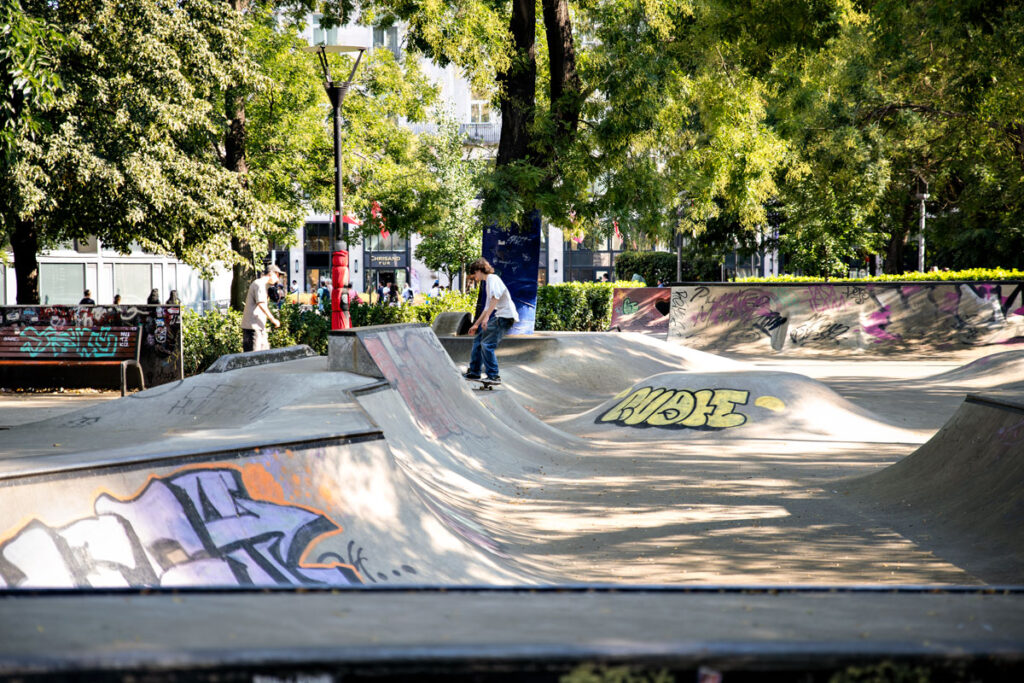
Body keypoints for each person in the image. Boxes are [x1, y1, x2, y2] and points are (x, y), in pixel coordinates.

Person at [463, 258, 518, 384]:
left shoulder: (493, 279)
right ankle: (475, 372)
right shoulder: (488, 282)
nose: (474, 277)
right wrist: (476, 325)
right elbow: (487, 308)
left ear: (479, 270)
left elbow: (495, 298)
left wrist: (487, 318)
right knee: (479, 339)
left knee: (487, 344)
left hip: (505, 317)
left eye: (474, 274)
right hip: (500, 316)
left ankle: (494, 376)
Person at [241, 264, 282, 352]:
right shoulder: (259, 284)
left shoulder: (263, 285)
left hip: (259, 327)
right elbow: (261, 304)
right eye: (277, 275)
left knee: (264, 358)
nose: (278, 279)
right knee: (253, 360)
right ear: (271, 274)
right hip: (253, 328)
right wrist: (273, 319)